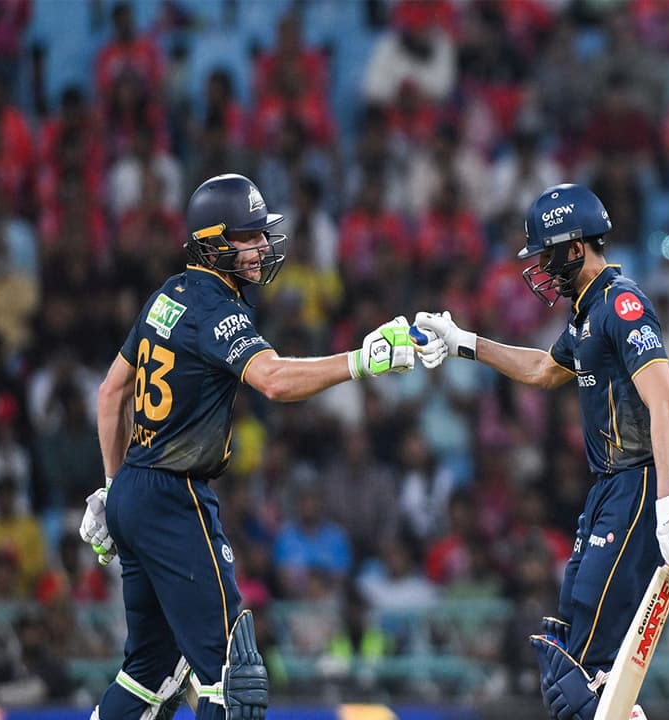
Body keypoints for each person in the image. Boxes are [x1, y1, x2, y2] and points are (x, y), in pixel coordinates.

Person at [78, 174, 418, 720]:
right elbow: (275, 380)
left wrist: (113, 487)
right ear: (213, 243)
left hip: (137, 488)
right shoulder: (219, 306)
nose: (262, 247)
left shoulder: (167, 293)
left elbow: (110, 391)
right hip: (174, 497)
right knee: (235, 679)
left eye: (262, 234)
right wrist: (363, 359)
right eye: (248, 236)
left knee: (148, 670)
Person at [414, 184, 669, 720]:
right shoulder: (585, 313)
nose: (541, 270)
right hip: (610, 488)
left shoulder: (622, 305)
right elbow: (544, 369)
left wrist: (668, 508)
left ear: (576, 248)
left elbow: (664, 406)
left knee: (585, 675)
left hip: (641, 485)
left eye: (547, 255)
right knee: (570, 649)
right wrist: (464, 342)